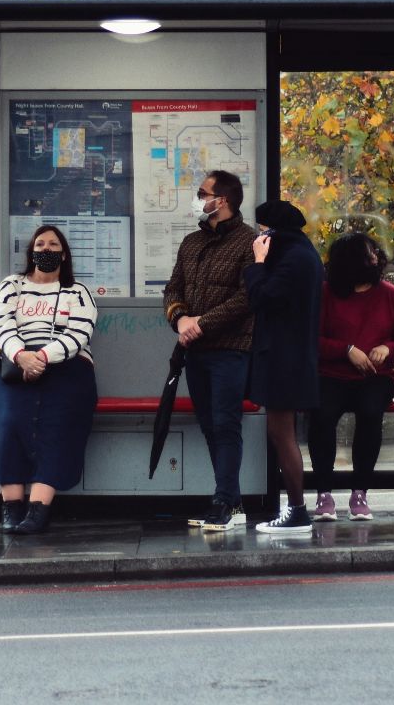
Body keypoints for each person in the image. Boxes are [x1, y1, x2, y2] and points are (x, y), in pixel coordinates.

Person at [0, 225, 99, 535]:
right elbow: (1, 323)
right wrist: (21, 355)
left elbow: (79, 333)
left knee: (57, 423)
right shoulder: (12, 285)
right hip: (15, 365)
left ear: (63, 254)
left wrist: (43, 358)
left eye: (53, 245)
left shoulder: (77, 291)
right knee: (9, 422)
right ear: (31, 251)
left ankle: (38, 508)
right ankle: (12, 506)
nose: (46, 249)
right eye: (40, 244)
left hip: (67, 367)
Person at [162, 169, 257, 531]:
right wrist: (181, 319)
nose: (198, 198)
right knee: (209, 426)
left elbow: (246, 299)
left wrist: (201, 323)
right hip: (195, 352)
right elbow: (173, 288)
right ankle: (231, 500)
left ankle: (223, 501)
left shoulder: (250, 242)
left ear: (224, 200)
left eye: (203, 193)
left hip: (232, 350)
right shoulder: (191, 242)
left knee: (225, 424)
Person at [310, 232, 394, 521]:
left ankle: (360, 493)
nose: (376, 258)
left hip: (375, 377)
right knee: (321, 415)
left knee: (371, 413)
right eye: (370, 253)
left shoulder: (389, 294)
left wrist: (387, 348)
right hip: (332, 373)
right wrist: (346, 350)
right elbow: (312, 340)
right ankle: (323, 494)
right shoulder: (326, 293)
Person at [244, 200, 324, 534]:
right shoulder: (303, 254)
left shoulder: (293, 260)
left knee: (282, 434)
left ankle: (297, 511)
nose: (260, 235)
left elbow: (261, 297)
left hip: (284, 358)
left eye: (262, 229)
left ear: (274, 229)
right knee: (280, 433)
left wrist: (258, 263)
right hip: (289, 356)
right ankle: (295, 509)